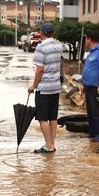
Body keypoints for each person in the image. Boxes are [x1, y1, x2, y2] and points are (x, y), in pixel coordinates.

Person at [28, 23, 62, 153]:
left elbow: (40, 70)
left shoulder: (41, 48)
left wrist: (33, 86)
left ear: (41, 33)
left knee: (42, 118)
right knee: (53, 117)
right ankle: (52, 144)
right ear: (53, 33)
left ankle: (48, 146)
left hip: (44, 89)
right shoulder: (58, 46)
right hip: (55, 87)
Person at [82, 29, 99, 143]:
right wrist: (84, 85)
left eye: (86, 38)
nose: (85, 41)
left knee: (96, 112)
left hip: (95, 87)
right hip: (88, 87)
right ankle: (92, 134)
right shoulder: (91, 52)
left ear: (89, 39)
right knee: (90, 111)